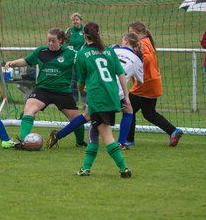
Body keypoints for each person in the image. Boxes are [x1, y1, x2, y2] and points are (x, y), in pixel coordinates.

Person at [47, 32, 144, 150]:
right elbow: (140, 82)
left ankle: (58, 135)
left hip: (99, 88)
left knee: (86, 116)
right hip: (116, 91)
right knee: (128, 111)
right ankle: (121, 143)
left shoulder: (111, 50)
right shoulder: (137, 60)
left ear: (126, 42)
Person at [4, 27, 86, 146]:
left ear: (61, 40)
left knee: (77, 120)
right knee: (29, 108)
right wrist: (12, 63)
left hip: (62, 91)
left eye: (53, 41)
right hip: (43, 90)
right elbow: (26, 60)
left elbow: (84, 63)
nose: (50, 43)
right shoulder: (41, 51)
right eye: (48, 40)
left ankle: (80, 142)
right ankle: (23, 141)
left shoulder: (71, 54)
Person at [74, 22, 131, 178]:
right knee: (94, 131)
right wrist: (126, 96)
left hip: (97, 97)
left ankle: (124, 168)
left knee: (106, 134)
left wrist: (81, 91)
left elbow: (80, 82)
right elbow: (121, 74)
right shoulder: (110, 52)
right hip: (111, 95)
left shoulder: (81, 55)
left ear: (85, 37)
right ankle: (85, 168)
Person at [127, 21, 183, 147]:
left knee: (128, 109)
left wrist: (133, 60)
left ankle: (129, 139)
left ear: (140, 33)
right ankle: (173, 131)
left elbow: (146, 59)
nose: (129, 35)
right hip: (153, 83)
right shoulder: (146, 42)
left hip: (145, 84)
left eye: (132, 33)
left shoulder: (143, 44)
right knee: (149, 113)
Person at [65, 13, 87, 104]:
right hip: (73, 59)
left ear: (80, 20)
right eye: (73, 20)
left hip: (83, 59)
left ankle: (86, 102)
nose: (75, 22)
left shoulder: (85, 30)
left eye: (77, 20)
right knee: (73, 80)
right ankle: (74, 101)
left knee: (83, 80)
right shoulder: (69, 31)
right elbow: (65, 42)